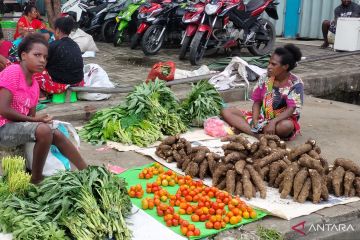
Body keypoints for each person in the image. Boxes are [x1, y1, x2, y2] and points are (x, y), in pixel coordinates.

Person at [0, 33, 87, 184]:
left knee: (56, 133)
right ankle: (36, 178)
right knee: (44, 130)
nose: (42, 60)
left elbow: (31, 122)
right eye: (37, 55)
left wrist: (38, 121)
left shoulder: (34, 85)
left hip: (17, 128)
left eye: (45, 57)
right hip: (3, 128)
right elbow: (3, 109)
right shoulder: (13, 72)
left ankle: (88, 171)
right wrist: (35, 120)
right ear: (24, 55)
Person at [221, 44, 303, 140]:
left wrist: (273, 122)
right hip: (263, 117)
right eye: (269, 63)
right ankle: (257, 135)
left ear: (285, 66)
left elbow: (291, 109)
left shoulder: (295, 83)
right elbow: (257, 102)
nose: (268, 67)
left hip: (281, 120)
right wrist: (255, 119)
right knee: (226, 111)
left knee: (286, 127)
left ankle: (247, 129)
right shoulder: (265, 77)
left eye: (273, 64)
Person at [34, 16, 84, 95]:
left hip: (60, 83)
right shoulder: (75, 45)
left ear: (57, 31)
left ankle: (41, 94)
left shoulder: (53, 45)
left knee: (35, 71)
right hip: (77, 82)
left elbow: (42, 65)